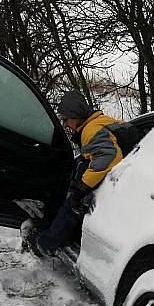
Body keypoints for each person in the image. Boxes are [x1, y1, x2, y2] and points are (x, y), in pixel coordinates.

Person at [33, 91, 125, 256]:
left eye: (66, 119)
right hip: (122, 177)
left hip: (117, 179)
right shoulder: (101, 121)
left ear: (75, 115)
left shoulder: (90, 130)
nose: (66, 124)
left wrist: (81, 187)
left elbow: (109, 157)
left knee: (72, 204)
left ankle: (46, 244)